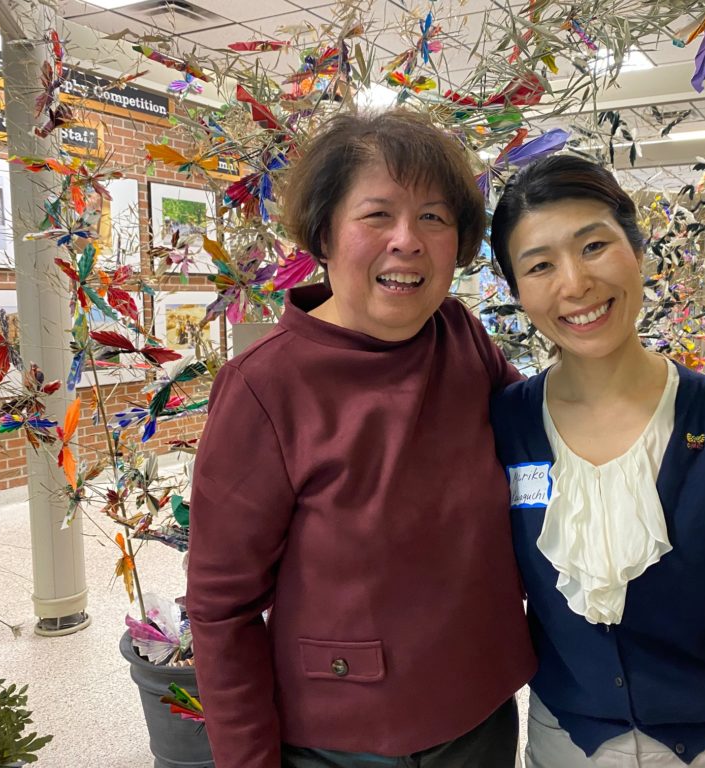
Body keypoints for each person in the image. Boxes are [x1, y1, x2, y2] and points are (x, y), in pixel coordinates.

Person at [186, 111, 536, 768]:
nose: (407, 240)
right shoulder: (266, 387)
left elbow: (543, 434)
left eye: (434, 217)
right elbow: (220, 609)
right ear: (323, 233)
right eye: (377, 215)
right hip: (341, 739)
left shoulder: (460, 336)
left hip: (479, 713)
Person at [488, 156, 705, 768]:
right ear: (516, 291)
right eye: (540, 265)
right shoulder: (504, 425)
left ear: (637, 250)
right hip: (565, 743)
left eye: (594, 246)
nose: (574, 284)